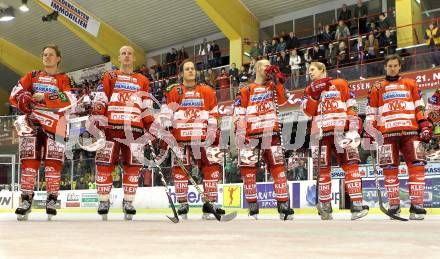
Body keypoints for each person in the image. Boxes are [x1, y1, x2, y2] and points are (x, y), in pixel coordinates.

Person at [10, 44, 76, 221]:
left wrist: (44, 97)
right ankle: (25, 201)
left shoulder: (64, 78)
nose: (46, 57)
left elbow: (71, 100)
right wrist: (23, 98)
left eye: (50, 55)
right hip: (32, 121)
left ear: (58, 58)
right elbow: (15, 92)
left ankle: (52, 200)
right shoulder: (33, 75)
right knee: (29, 164)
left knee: (53, 164)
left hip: (57, 124)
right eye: (44, 55)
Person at [365, 54, 432, 220]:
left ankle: (417, 206)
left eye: (395, 65)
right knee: (389, 170)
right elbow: (371, 112)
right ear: (385, 67)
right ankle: (394, 206)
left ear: (400, 66)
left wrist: (424, 124)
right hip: (386, 134)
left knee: (417, 166)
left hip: (410, 132)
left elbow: (420, 108)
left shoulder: (411, 84)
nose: (393, 68)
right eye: (390, 66)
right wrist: (370, 131)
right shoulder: (376, 87)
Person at [92, 45, 152, 220]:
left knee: (133, 166)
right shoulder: (110, 75)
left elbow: (146, 106)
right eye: (123, 53)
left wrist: (151, 126)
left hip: (135, 130)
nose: (127, 56)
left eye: (130, 54)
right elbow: (101, 98)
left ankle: (128, 202)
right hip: (111, 128)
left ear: (134, 58)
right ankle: (104, 201)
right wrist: (98, 120)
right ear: (119, 57)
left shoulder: (142, 80)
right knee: (104, 165)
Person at [302, 61, 369, 220]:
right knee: (323, 171)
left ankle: (356, 206)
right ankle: (325, 207)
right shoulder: (308, 90)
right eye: (308, 70)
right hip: (320, 134)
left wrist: (353, 128)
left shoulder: (340, 83)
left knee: (351, 166)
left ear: (322, 69)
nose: (310, 73)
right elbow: (307, 111)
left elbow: (351, 106)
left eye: (312, 69)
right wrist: (313, 95)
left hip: (342, 132)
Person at [164, 59, 225, 220]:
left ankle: (209, 204)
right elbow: (166, 115)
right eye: (187, 69)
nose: (191, 71)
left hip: (203, 138)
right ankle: (183, 204)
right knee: (180, 170)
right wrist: (168, 133)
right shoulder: (174, 91)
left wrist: (212, 131)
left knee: (211, 168)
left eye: (193, 68)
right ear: (181, 73)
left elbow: (214, 113)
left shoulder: (207, 90)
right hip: (181, 139)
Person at [233, 59, 294, 220]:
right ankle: (252, 207)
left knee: (278, 168)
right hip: (250, 135)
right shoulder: (246, 89)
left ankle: (283, 206)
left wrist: (279, 81)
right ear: (258, 68)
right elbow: (239, 112)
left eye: (270, 65)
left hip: (271, 133)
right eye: (266, 65)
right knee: (248, 172)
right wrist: (240, 132)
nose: (269, 68)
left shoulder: (273, 86)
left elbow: (283, 101)